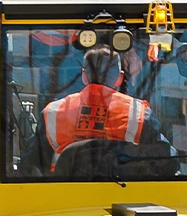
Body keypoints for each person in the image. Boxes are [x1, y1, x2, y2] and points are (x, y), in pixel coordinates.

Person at [39, 45, 169, 173]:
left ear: (84, 76)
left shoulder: (52, 113)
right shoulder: (140, 114)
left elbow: (31, 165)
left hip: (62, 192)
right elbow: (167, 161)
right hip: (123, 191)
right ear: (120, 78)